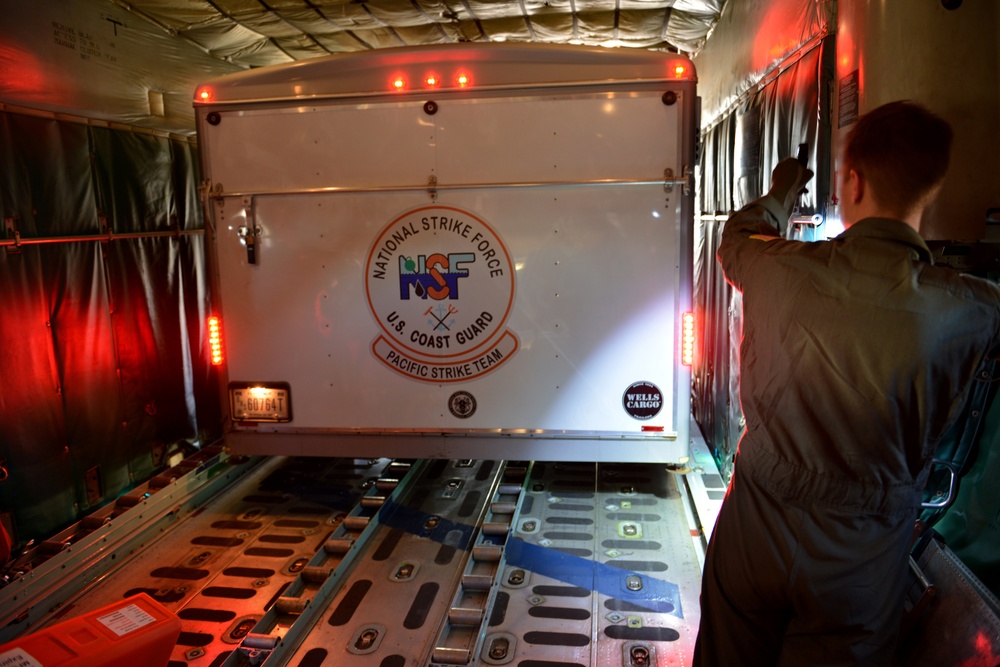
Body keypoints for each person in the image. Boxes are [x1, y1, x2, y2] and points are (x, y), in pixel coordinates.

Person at [693, 100, 1000, 666]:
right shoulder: (972, 309)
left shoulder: (780, 266)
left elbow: (738, 237)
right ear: (930, 189)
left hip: (754, 526)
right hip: (862, 559)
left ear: (853, 183)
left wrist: (785, 187)